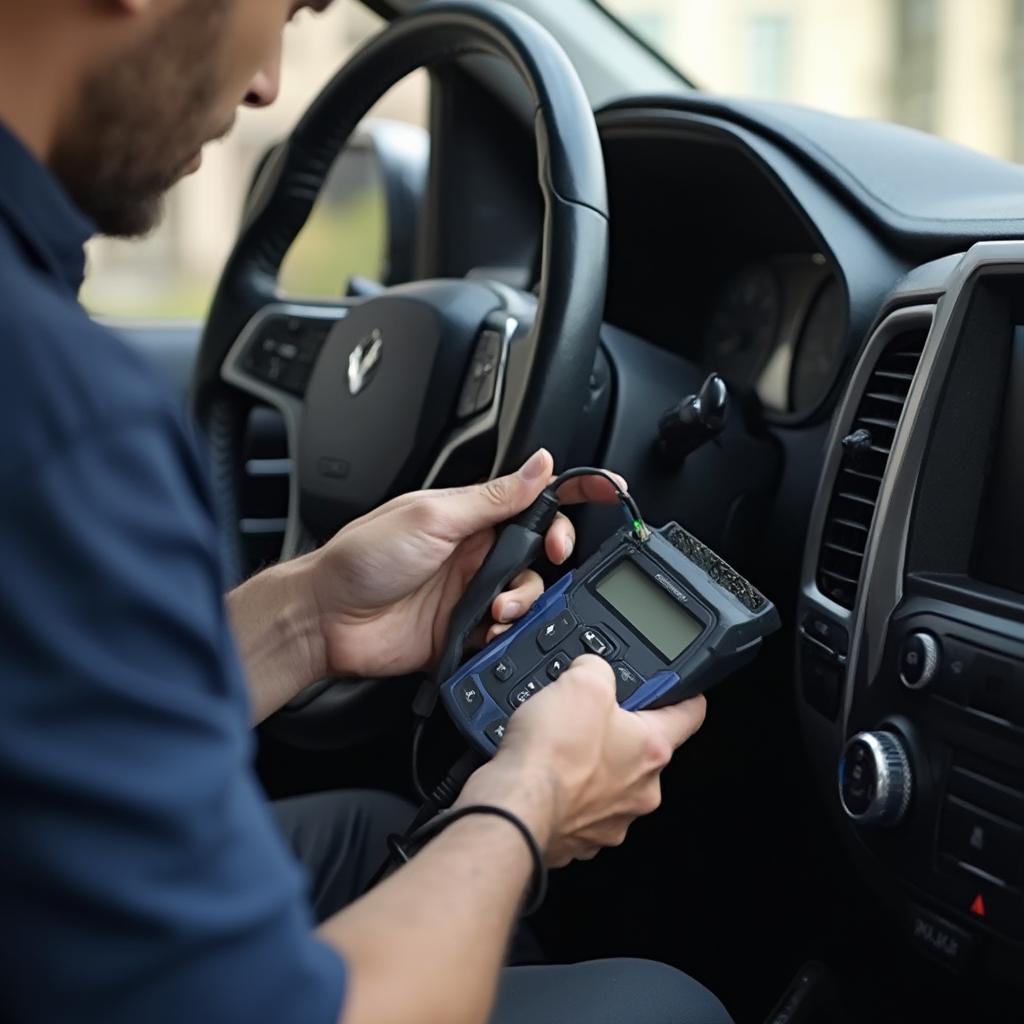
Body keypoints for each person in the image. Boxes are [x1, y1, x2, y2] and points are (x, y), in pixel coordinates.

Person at [0, 1, 733, 1022]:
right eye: (286, 9)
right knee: (663, 1006)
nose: (264, 84)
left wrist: (308, 617)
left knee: (373, 831)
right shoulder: (61, 416)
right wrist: (526, 803)